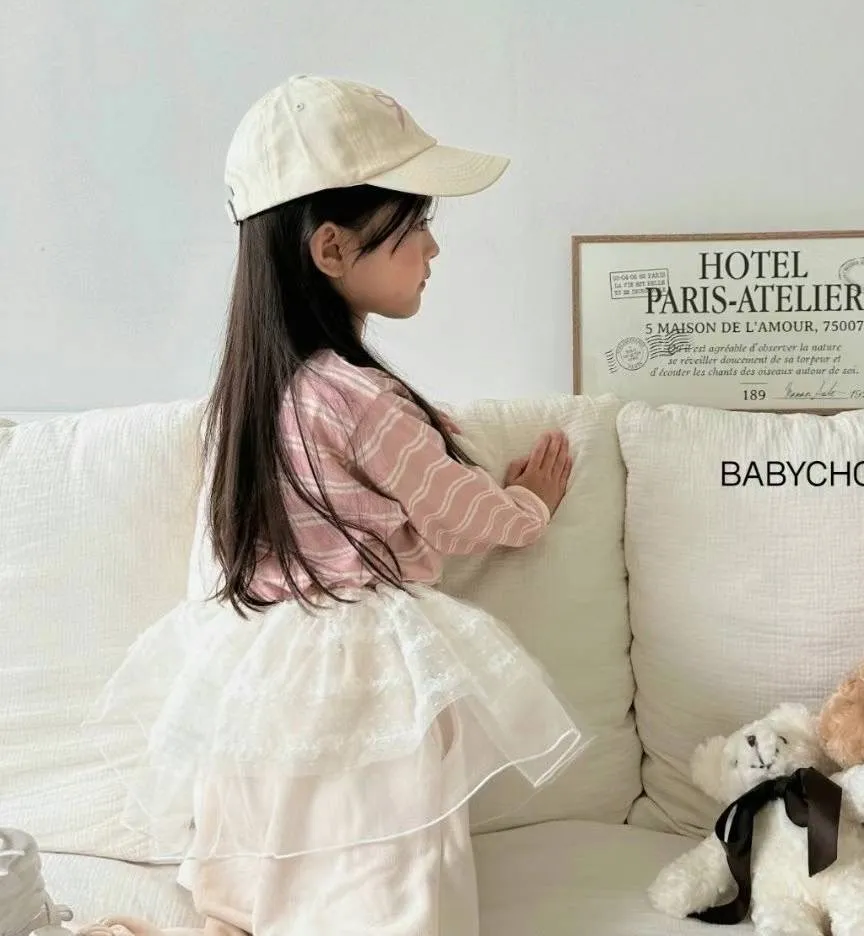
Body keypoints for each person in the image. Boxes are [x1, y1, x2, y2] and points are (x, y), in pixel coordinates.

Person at [77, 75, 589, 936]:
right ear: (331, 249)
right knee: (385, 877)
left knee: (258, 886)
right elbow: (461, 514)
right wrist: (528, 504)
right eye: (414, 225)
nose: (432, 248)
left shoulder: (246, 401)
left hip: (258, 676)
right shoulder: (360, 401)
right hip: (358, 676)